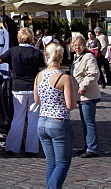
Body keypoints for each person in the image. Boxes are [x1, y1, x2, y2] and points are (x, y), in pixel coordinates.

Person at [0, 27, 45, 156]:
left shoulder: (13, 51)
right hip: (33, 88)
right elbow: (42, 70)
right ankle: (31, 149)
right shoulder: (36, 53)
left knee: (17, 119)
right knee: (33, 120)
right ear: (31, 38)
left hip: (18, 89)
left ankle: (12, 147)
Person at [34, 43, 76, 189]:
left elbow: (36, 100)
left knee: (51, 162)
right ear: (61, 58)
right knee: (63, 163)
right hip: (58, 122)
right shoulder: (64, 78)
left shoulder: (39, 75)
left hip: (42, 121)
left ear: (47, 56)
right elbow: (70, 105)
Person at [69, 34, 100, 158]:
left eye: (79, 45)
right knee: (85, 122)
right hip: (80, 96)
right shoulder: (77, 57)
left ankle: (93, 148)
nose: (77, 47)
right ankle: (88, 145)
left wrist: (83, 85)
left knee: (89, 122)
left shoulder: (88, 57)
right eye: (75, 45)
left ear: (84, 45)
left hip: (87, 95)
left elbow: (94, 74)